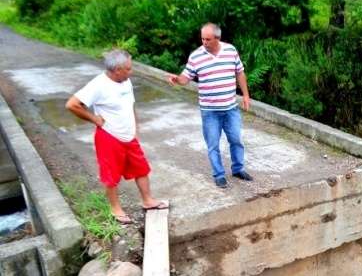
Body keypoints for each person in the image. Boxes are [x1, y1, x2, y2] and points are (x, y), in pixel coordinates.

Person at [66, 49, 168, 224]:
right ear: (117, 70)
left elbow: (131, 105)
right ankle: (115, 209)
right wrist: (94, 119)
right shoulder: (98, 85)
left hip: (129, 136)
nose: (131, 71)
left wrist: (135, 128)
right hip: (109, 137)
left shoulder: (125, 81)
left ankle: (147, 200)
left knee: (141, 168)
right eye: (128, 69)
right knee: (111, 174)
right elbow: (72, 105)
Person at [168, 22, 252, 188]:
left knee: (236, 140)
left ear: (217, 38)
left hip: (230, 108)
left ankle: (238, 169)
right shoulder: (196, 56)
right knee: (213, 145)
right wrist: (178, 80)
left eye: (208, 39)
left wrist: (246, 95)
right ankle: (219, 175)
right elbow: (186, 78)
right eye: (202, 39)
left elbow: (239, 72)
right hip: (209, 111)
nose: (204, 42)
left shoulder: (230, 50)